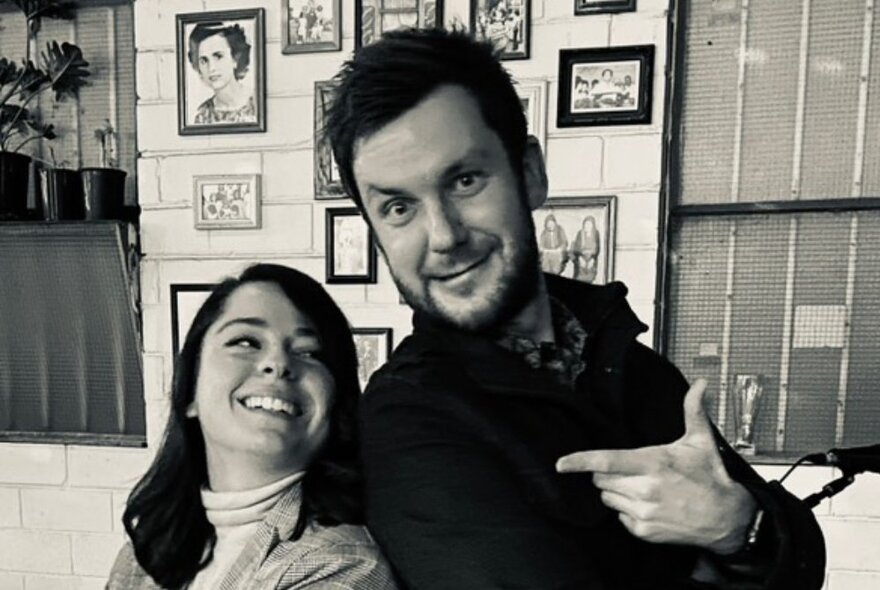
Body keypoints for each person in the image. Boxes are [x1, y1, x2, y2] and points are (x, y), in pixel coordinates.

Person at [325, 28, 825, 589]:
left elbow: (802, 563)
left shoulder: (630, 364)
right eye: (398, 207)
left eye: (465, 180)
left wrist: (735, 525)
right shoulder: (411, 420)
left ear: (530, 174)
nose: (442, 236)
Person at [106, 264, 398, 589]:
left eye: (310, 352)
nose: (278, 364)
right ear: (190, 392)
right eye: (246, 342)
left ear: (335, 407)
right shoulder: (143, 552)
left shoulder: (343, 565)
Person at [187, 22, 256, 125]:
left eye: (218, 56)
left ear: (235, 58)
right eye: (204, 60)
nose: (211, 68)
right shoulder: (202, 115)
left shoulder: (257, 102)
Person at [570, 214, 601, 283]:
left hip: (591, 258)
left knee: (590, 276)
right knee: (580, 277)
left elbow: (598, 249)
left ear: (593, 225)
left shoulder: (596, 234)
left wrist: (593, 259)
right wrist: (580, 258)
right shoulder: (580, 233)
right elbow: (576, 249)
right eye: (586, 225)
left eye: (589, 225)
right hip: (581, 258)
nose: (587, 227)